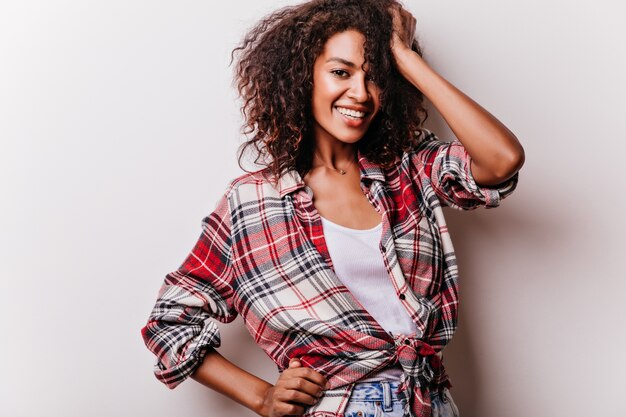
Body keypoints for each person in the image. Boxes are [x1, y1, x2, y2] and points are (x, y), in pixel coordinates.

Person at [140, 1, 524, 416]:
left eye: (376, 78)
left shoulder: (409, 167)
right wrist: (261, 396)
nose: (360, 93)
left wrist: (407, 60)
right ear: (303, 75)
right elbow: (170, 320)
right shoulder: (251, 203)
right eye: (341, 72)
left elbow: (501, 160)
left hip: (430, 402)